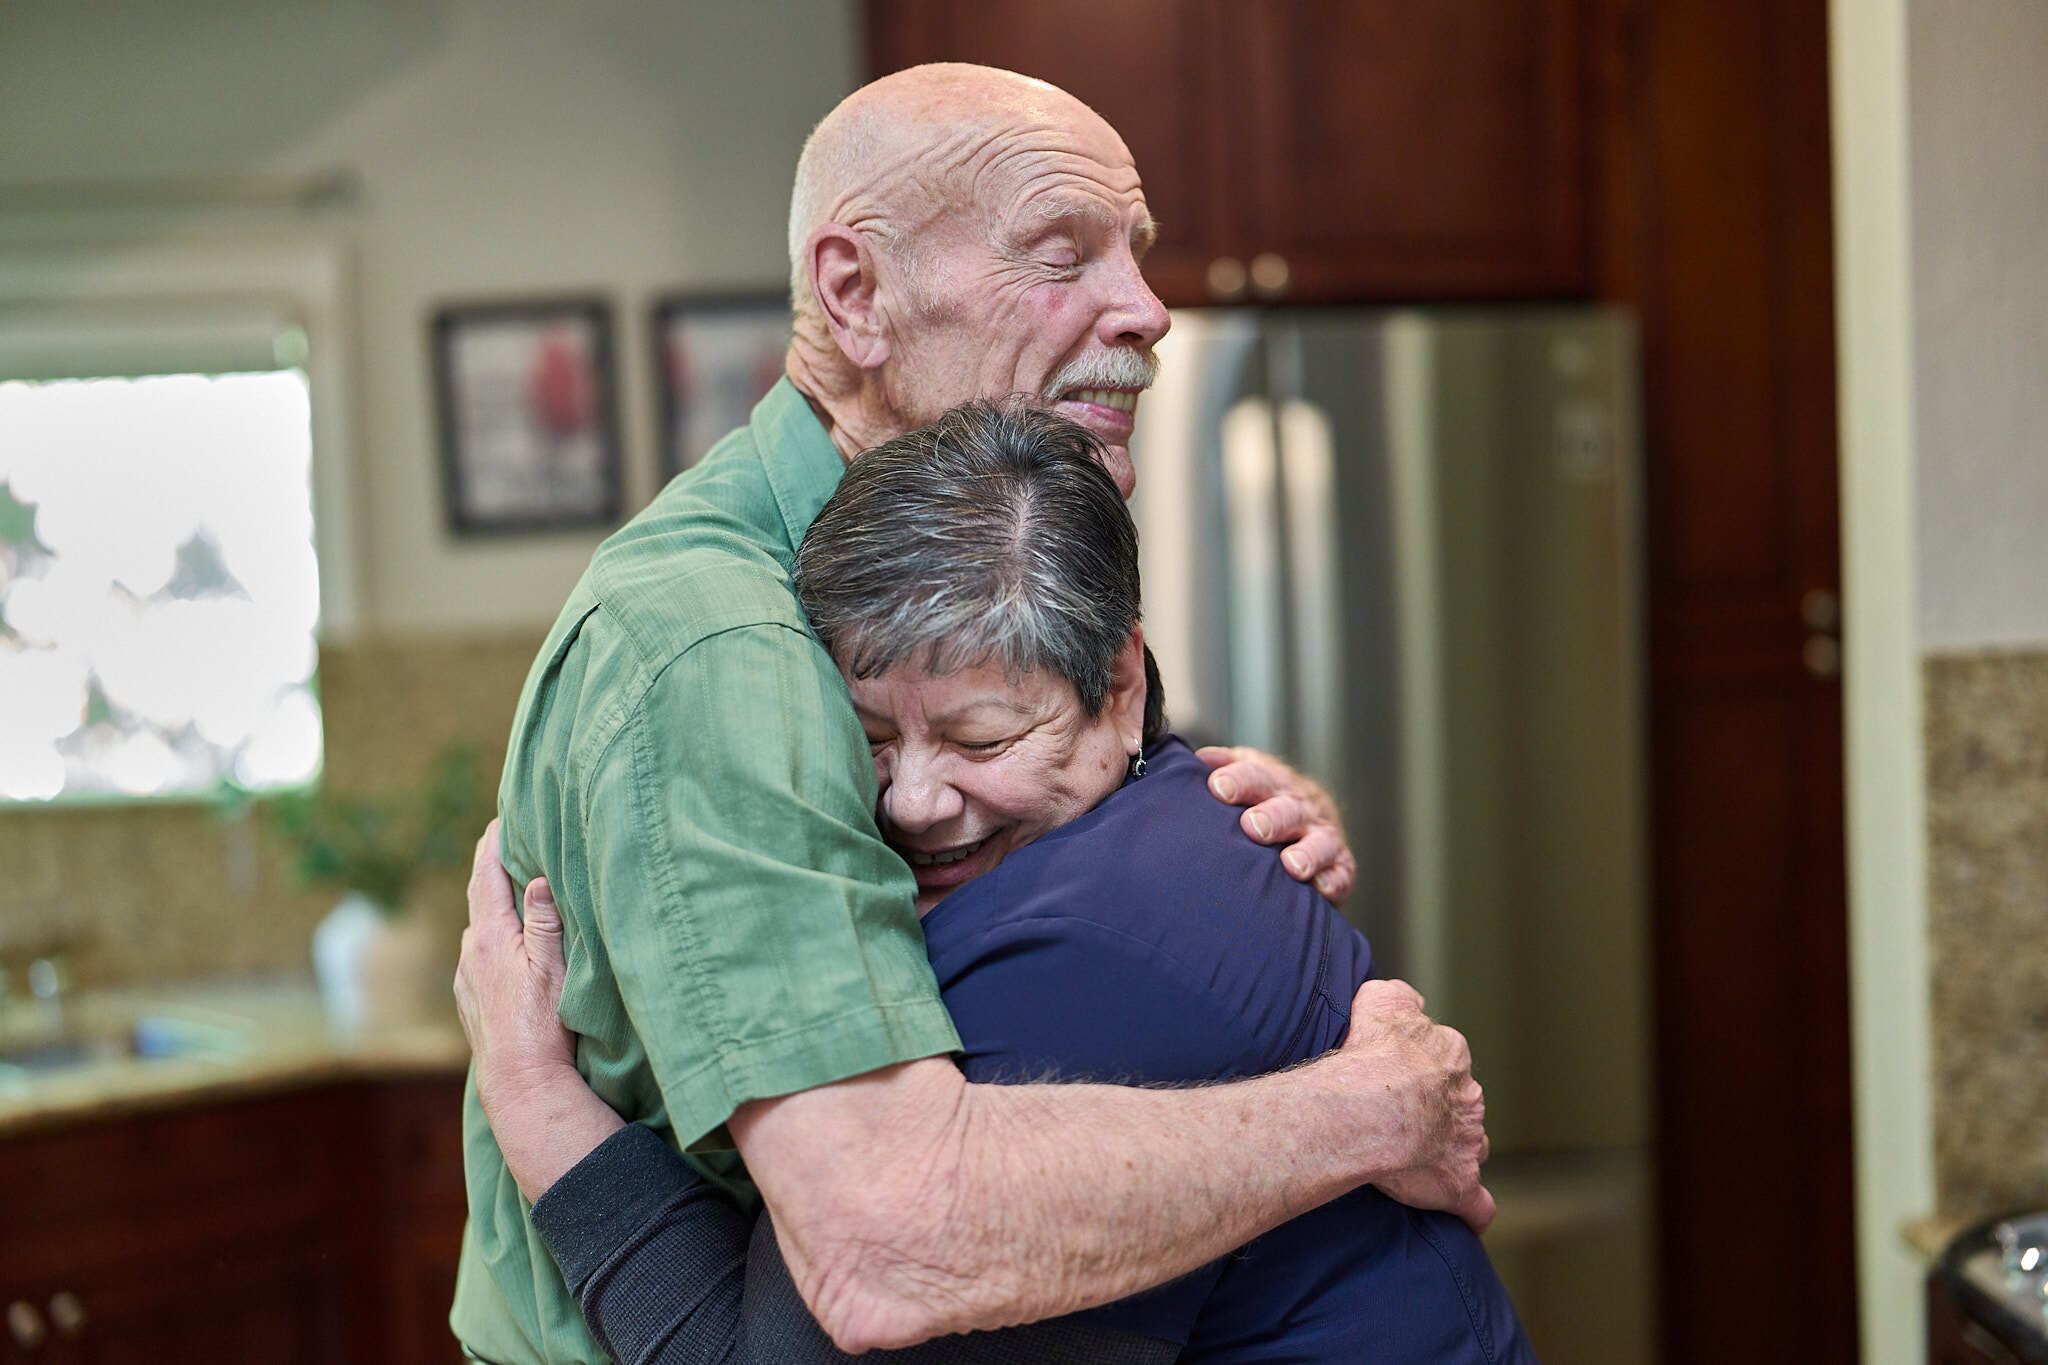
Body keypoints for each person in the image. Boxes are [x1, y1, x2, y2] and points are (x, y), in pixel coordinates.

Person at [452, 63, 1490, 1364]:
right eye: (1064, 253)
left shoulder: (942, 551)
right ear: (854, 292)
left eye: (1138, 252)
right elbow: (886, 1237)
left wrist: (1216, 800)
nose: (1150, 310)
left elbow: (1094, 848)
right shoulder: (726, 646)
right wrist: (1371, 1112)